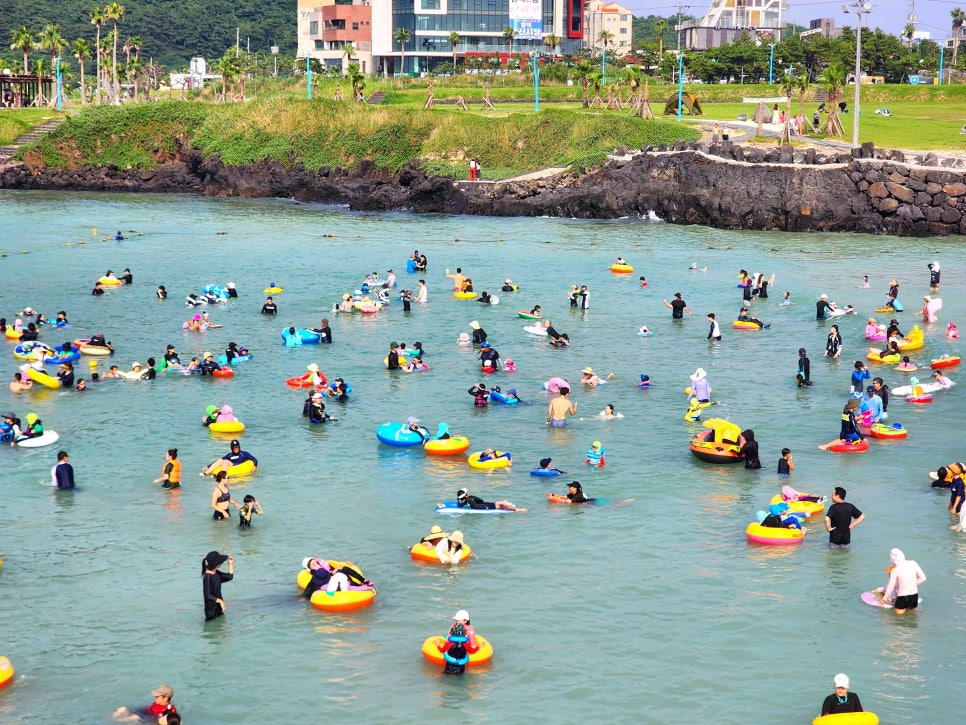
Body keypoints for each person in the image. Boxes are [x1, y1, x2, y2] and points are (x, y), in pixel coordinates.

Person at [881, 548, 926, 613]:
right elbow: (923, 578)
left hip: (902, 597)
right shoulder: (913, 563)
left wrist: (883, 599)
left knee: (898, 618)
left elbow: (890, 587)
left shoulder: (895, 570)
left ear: (893, 560)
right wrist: (911, 585)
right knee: (912, 616)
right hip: (914, 596)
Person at [437, 610, 479, 674]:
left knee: (444, 674)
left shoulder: (448, 644)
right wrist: (478, 647)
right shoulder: (466, 645)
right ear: (464, 634)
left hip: (448, 668)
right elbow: (473, 650)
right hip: (461, 669)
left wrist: (438, 645)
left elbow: (442, 650)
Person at [112, 684, 177, 722]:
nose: (155, 697)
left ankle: (115, 721)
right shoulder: (158, 703)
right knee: (122, 709)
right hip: (142, 711)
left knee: (133, 718)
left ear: (165, 698)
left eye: (157, 696)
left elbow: (168, 720)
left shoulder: (170, 709)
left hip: (145, 717)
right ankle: (111, 719)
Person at [202, 551, 234, 621]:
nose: (221, 562)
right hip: (211, 612)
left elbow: (229, 577)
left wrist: (230, 564)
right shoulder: (208, 577)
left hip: (220, 608)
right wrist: (221, 601)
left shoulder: (216, 573)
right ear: (215, 563)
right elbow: (208, 595)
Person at [453, 488, 525, 512]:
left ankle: (501, 502)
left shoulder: (461, 505)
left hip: (480, 507)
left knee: (498, 503)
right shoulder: (471, 498)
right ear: (466, 495)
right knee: (501, 505)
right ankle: (516, 509)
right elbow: (481, 501)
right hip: (484, 507)